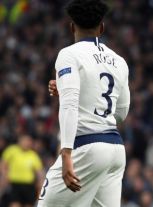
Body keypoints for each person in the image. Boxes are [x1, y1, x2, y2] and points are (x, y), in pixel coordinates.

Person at [37, 0, 130, 206]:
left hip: (85, 147)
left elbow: (69, 105)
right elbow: (121, 112)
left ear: (71, 27)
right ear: (102, 27)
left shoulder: (69, 55)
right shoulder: (119, 61)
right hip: (115, 150)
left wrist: (66, 153)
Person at [1, 135, 43, 207]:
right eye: (25, 141)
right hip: (14, 184)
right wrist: (5, 175)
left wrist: (40, 183)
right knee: (14, 204)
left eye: (28, 141)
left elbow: (39, 172)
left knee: (28, 205)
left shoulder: (33, 155)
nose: (27, 143)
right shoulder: (12, 150)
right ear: (20, 141)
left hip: (28, 186)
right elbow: (3, 164)